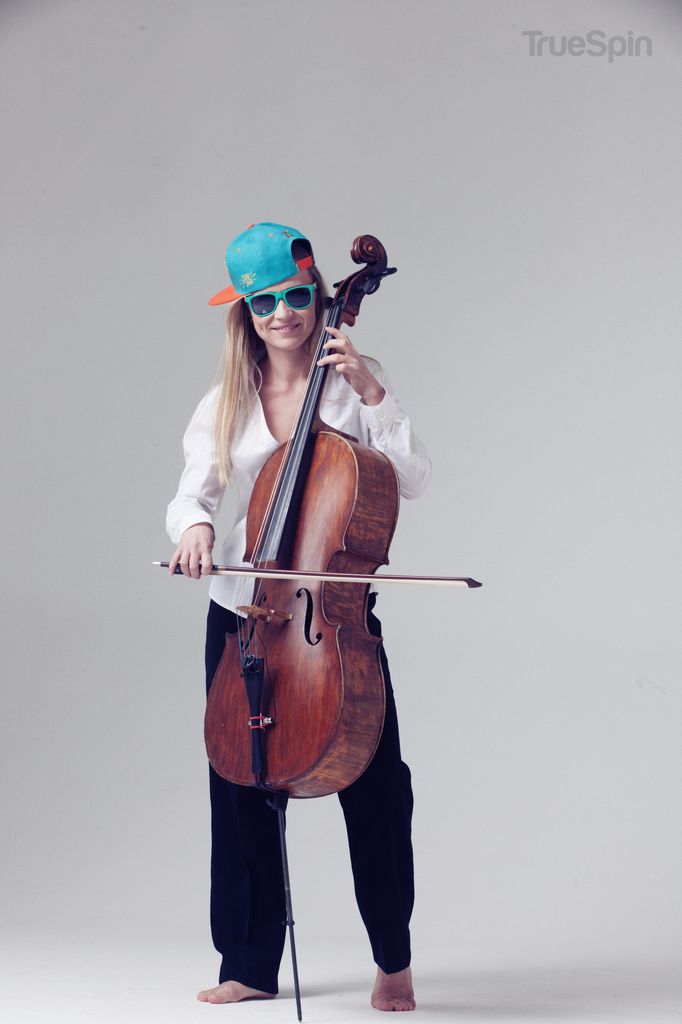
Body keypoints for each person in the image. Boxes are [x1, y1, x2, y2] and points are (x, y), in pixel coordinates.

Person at [166, 222, 431, 1012]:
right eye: (263, 302)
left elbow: (411, 478)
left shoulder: (353, 387)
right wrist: (196, 528)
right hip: (243, 612)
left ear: (319, 296)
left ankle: (393, 959)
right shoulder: (227, 400)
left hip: (330, 615)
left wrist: (374, 395)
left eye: (294, 295)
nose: (281, 313)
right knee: (240, 782)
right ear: (245, 314)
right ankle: (249, 963)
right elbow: (192, 493)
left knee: (376, 787)